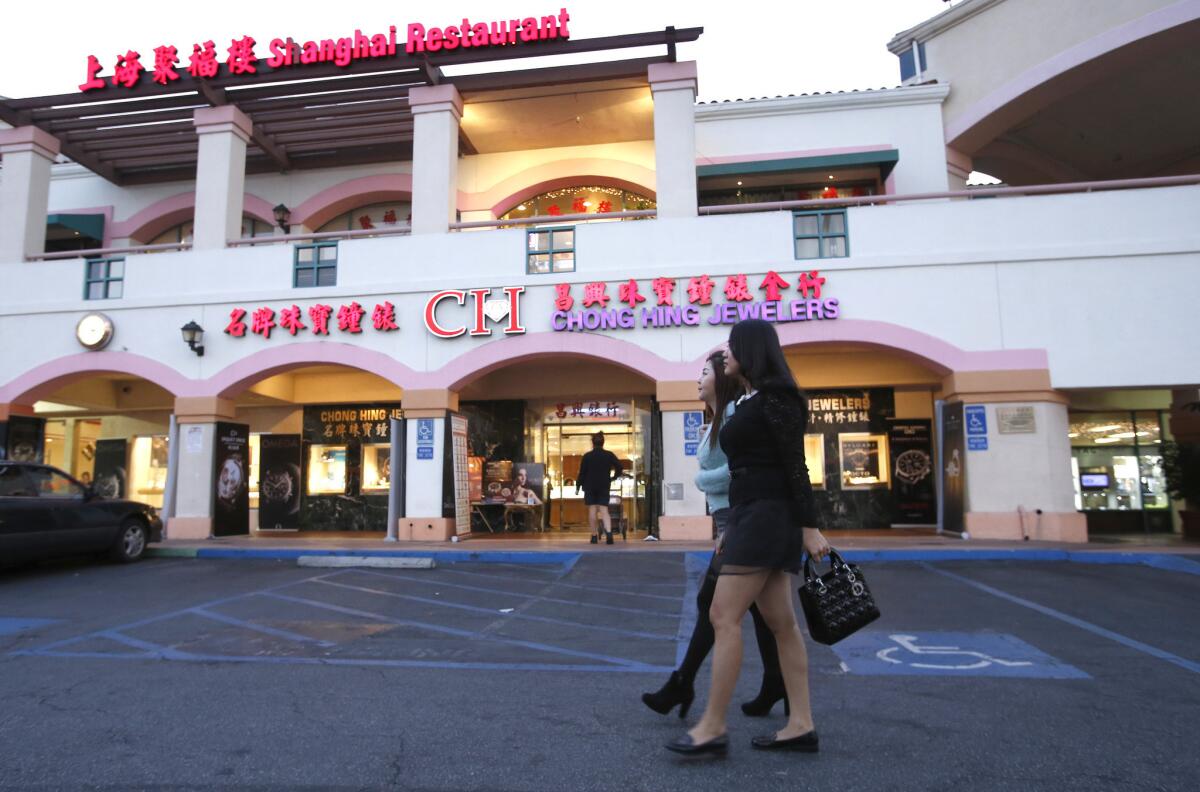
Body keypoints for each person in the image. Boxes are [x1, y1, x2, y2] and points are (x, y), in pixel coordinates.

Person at [667, 319, 831, 757]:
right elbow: (743, 469)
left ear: (751, 352)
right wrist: (730, 527)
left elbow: (796, 467)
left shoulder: (778, 400)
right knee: (781, 623)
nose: (726, 356)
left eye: (732, 348)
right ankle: (801, 724)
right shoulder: (753, 399)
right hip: (750, 515)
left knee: (723, 615)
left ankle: (713, 727)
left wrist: (809, 527)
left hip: (768, 515)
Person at [642, 351, 788, 720]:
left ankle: (685, 686)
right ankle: (774, 682)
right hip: (732, 521)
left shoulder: (737, 415)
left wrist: (700, 480)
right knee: (760, 610)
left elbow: (738, 469)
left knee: (714, 601)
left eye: (704, 372)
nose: (698, 378)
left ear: (722, 378)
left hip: (743, 520)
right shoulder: (717, 419)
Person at [575, 431, 623, 545]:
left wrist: (578, 486)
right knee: (604, 510)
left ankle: (594, 536)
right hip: (604, 485)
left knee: (592, 510)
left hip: (589, 486)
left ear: (592, 443)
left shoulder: (587, 456)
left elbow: (582, 473)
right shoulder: (609, 455)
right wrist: (614, 477)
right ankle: (609, 534)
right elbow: (619, 467)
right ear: (603, 442)